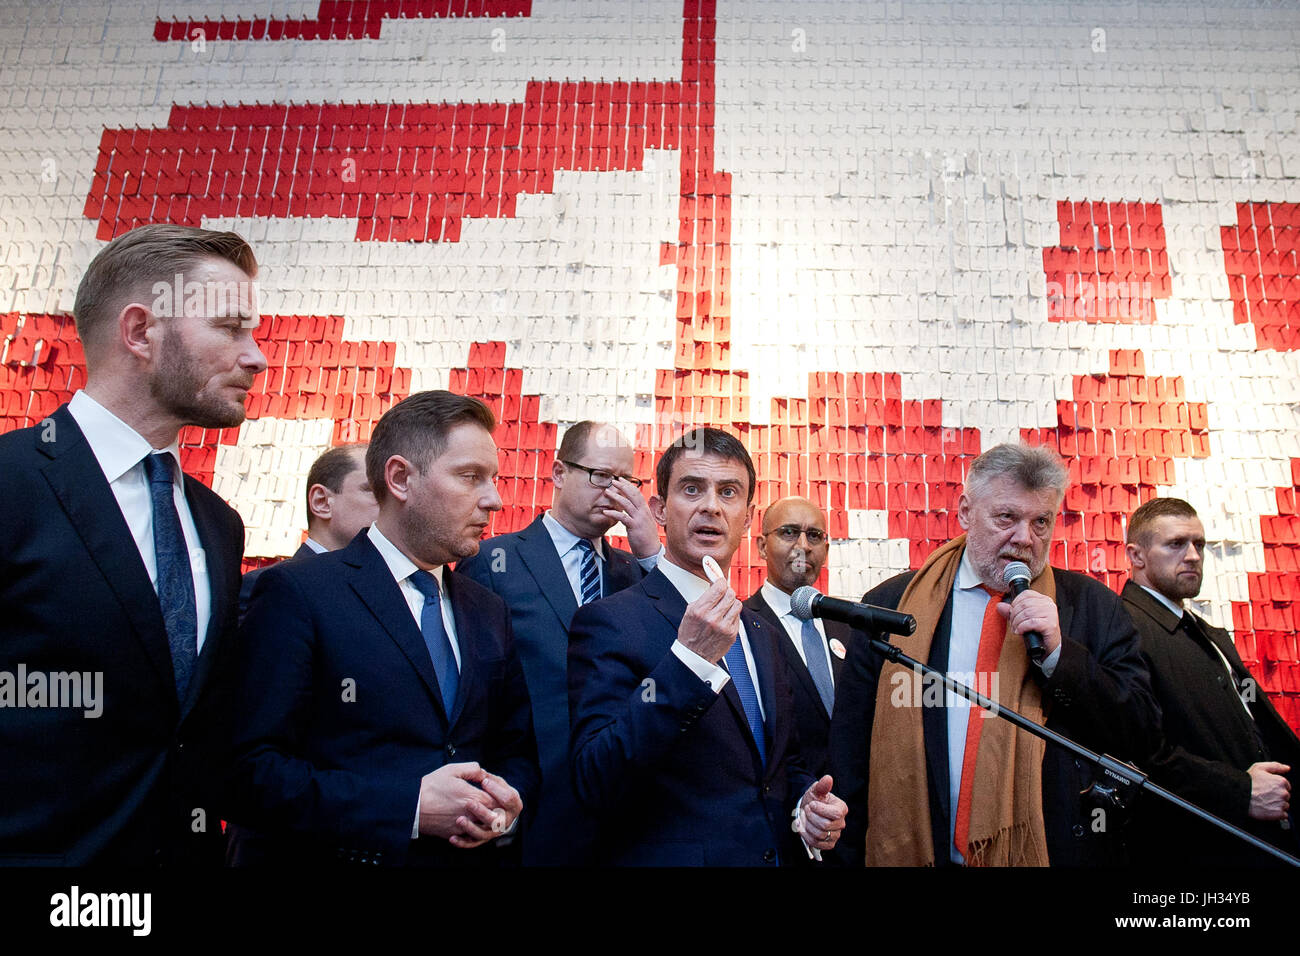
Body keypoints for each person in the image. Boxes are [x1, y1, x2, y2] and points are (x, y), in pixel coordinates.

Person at [0, 224, 267, 865]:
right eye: (231, 328)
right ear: (141, 332)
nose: (256, 356)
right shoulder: (12, 484)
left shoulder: (216, 523)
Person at [228, 390, 539, 866]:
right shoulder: (298, 593)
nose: (494, 499)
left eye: (492, 479)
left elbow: (515, 750)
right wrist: (408, 808)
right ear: (399, 478)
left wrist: (503, 810)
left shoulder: (488, 610)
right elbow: (250, 771)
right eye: (470, 476)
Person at [830, 443, 1158, 866]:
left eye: (1041, 521)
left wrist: (1061, 657)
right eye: (1007, 518)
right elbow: (851, 748)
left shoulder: (1092, 607)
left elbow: (1142, 731)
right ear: (966, 512)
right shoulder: (892, 605)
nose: (1025, 538)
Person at [568, 427, 847, 865]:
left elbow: (782, 766)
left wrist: (805, 809)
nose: (711, 507)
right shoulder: (610, 623)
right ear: (659, 509)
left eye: (729, 492)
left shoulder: (763, 633)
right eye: (692, 489)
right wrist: (688, 662)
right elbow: (595, 779)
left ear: (749, 517)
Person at [457, 420, 660, 864]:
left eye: (627, 480)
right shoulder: (495, 562)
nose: (615, 491)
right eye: (601, 476)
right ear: (558, 473)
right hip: (530, 811)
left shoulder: (637, 575)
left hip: (627, 812)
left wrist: (651, 556)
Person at [1120, 497, 1300, 865]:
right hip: (1202, 848)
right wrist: (1240, 790)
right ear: (1136, 556)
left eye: (1198, 544)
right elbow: (1137, 754)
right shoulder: (1122, 626)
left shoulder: (1202, 630)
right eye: (1175, 544)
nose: (1193, 556)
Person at [743, 496, 859, 776]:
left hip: (850, 810)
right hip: (781, 807)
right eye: (789, 532)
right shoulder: (741, 625)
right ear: (762, 546)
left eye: (814, 536)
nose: (803, 546)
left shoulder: (849, 627)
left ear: (826, 549)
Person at [238, 443, 378, 621]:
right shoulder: (268, 585)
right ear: (322, 502)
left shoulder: (385, 588)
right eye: (375, 491)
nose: (392, 504)